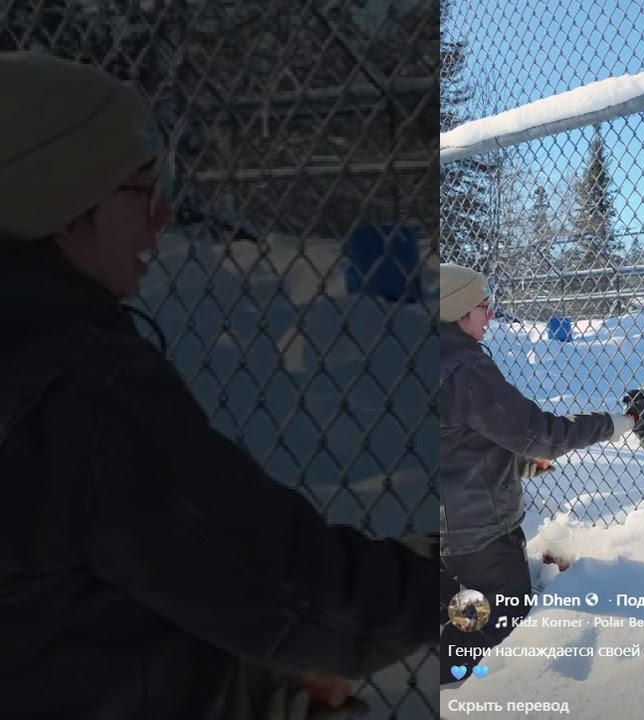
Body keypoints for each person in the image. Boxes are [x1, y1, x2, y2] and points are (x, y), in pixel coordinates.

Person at [0, 52, 438, 719]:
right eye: (140, 186)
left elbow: (67, 611)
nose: (163, 213)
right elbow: (297, 595)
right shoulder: (85, 394)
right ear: (62, 201)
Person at [437, 263, 633, 684]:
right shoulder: (466, 370)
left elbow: (453, 444)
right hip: (479, 536)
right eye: (483, 306)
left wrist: (519, 462)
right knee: (497, 630)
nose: (490, 315)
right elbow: (541, 434)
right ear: (458, 312)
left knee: (453, 608)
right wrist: (609, 424)